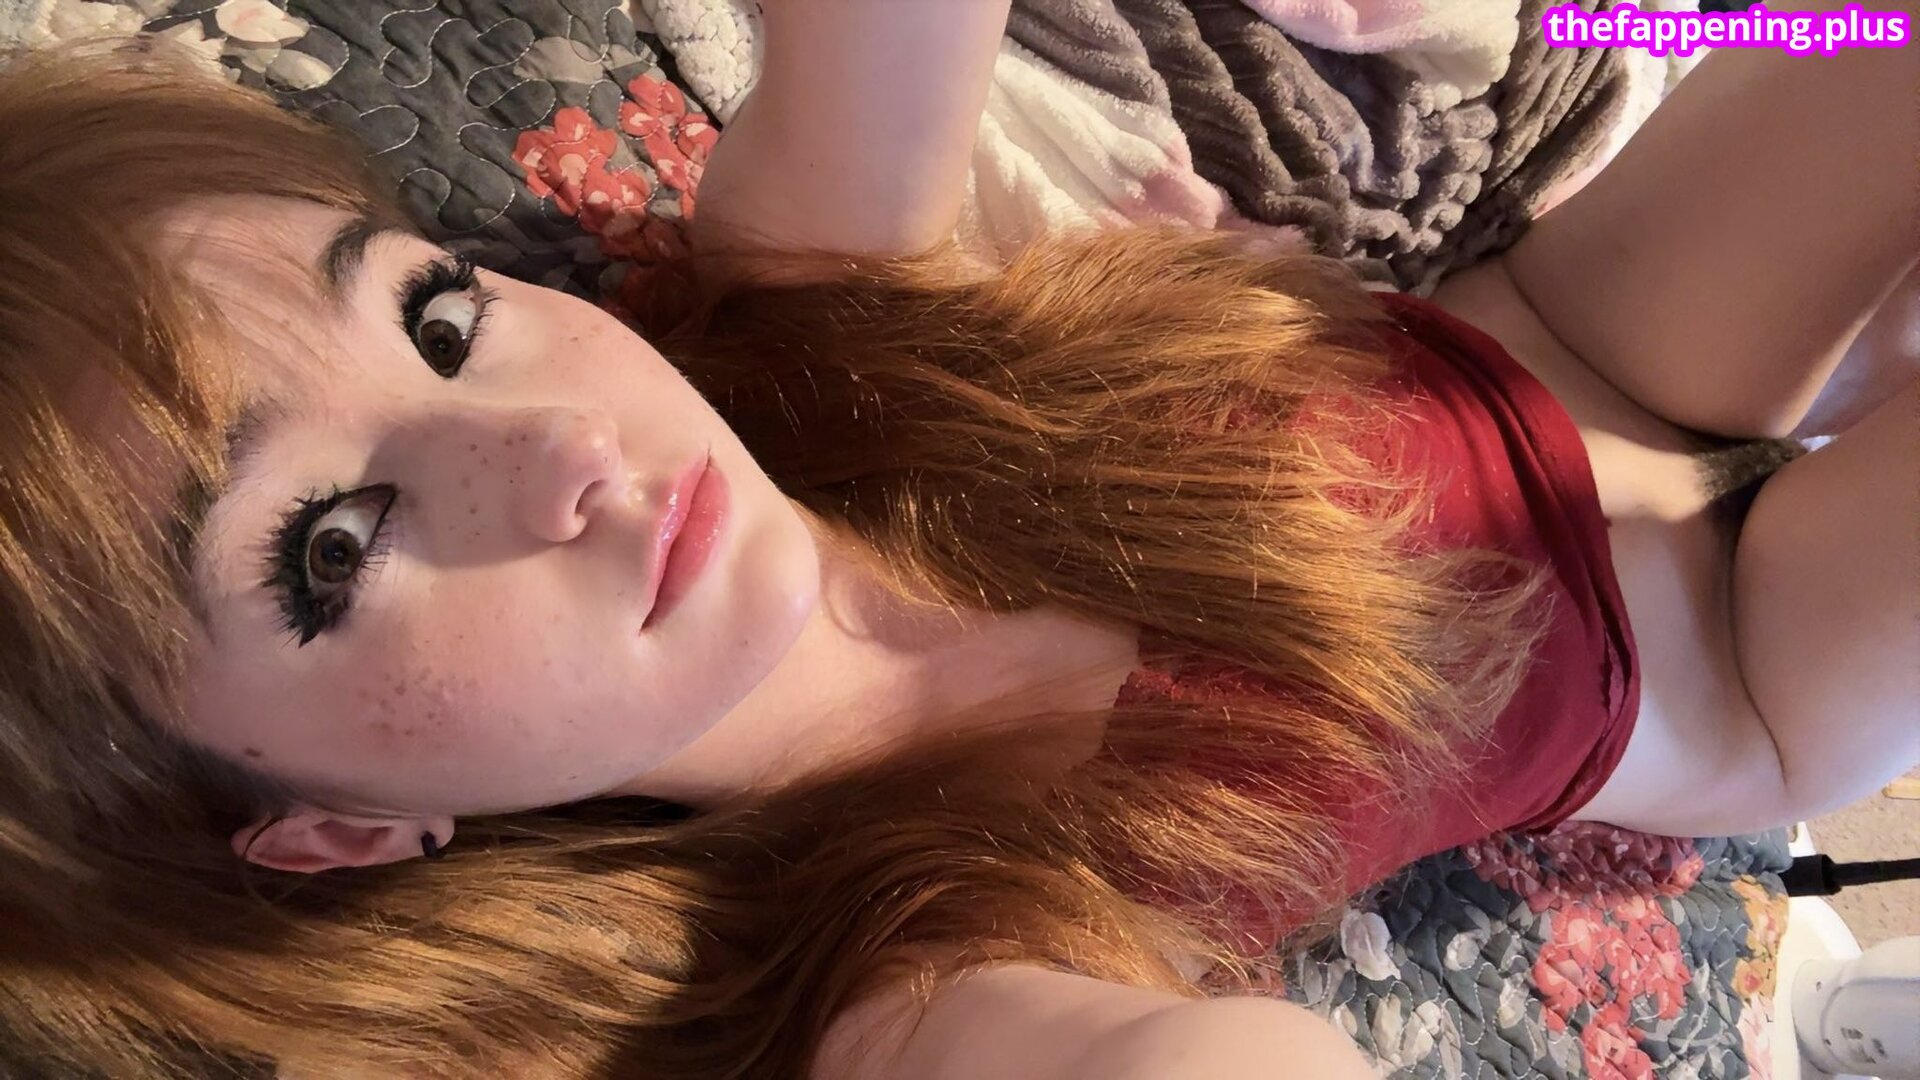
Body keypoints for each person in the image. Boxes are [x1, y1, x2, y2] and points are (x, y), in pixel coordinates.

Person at [0, 3, 1914, 1077]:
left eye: (434, 318)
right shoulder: (894, 961)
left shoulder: (797, 317)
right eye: (332, 548)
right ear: (332, 827)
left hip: (1551, 325)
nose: (559, 444)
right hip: (1732, 660)